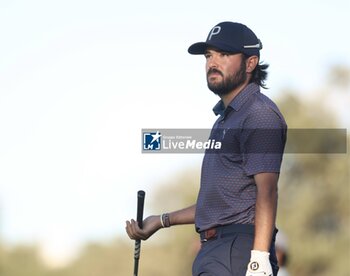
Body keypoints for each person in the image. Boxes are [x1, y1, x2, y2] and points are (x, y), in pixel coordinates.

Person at [126, 21, 287, 276]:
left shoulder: (259, 114)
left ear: (250, 63)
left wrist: (258, 260)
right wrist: (160, 221)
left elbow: (267, 191)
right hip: (213, 250)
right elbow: (216, 205)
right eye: (209, 56)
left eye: (224, 54)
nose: (213, 62)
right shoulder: (224, 120)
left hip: (238, 250)